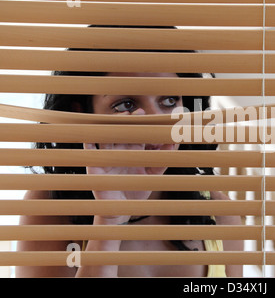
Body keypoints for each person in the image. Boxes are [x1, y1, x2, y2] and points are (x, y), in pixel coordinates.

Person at [16, 26, 243, 278]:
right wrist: (110, 222)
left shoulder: (219, 214)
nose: (156, 123)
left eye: (169, 101)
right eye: (126, 104)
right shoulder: (50, 207)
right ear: (82, 113)